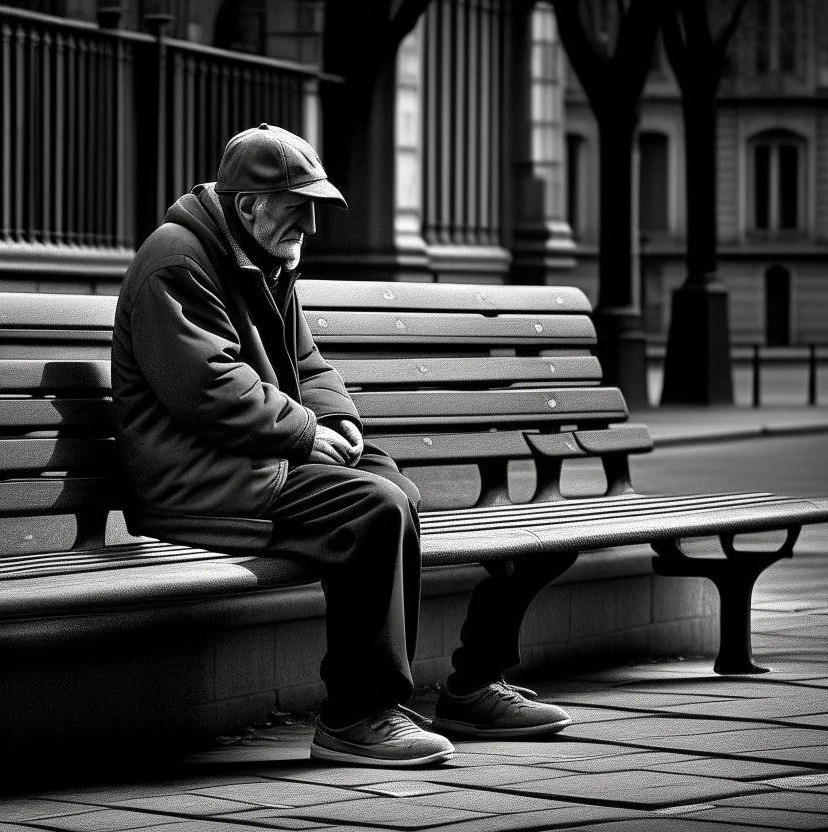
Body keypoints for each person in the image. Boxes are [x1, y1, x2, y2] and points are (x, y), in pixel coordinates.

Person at [111, 123, 571, 767]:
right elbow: (207, 386)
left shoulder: (261, 254)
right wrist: (304, 433)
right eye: (300, 210)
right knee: (372, 509)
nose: (312, 228)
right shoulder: (178, 259)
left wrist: (338, 422)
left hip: (251, 458)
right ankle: (355, 715)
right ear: (249, 206)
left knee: (395, 490)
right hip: (196, 477)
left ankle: (442, 695)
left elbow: (309, 362)